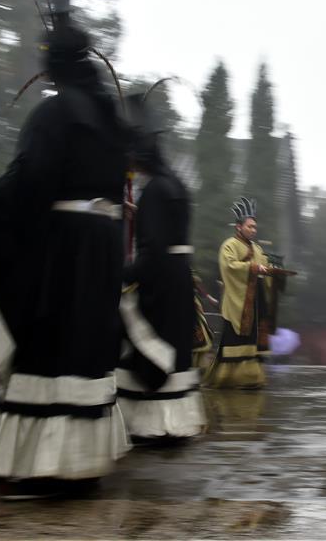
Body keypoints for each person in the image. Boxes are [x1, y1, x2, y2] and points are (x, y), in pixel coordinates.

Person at [0, 11, 132, 498]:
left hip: (64, 251)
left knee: (46, 346)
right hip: (101, 251)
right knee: (84, 350)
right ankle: (84, 463)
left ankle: (41, 467)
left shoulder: (53, 115)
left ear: (51, 67)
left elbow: (26, 185)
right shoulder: (112, 124)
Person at [116, 95, 205, 440]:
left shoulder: (153, 190)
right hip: (179, 276)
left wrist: (124, 275)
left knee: (143, 343)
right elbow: (170, 233)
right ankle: (175, 423)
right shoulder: (176, 185)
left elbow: (152, 250)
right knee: (176, 350)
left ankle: (151, 425)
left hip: (161, 282)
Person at [204, 198, 273, 389]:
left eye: (255, 227)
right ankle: (229, 379)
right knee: (234, 338)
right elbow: (229, 266)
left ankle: (252, 379)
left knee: (254, 338)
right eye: (250, 226)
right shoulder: (229, 245)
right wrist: (253, 267)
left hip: (256, 300)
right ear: (238, 227)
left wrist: (271, 270)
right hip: (239, 302)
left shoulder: (258, 249)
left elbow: (264, 267)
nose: (253, 230)